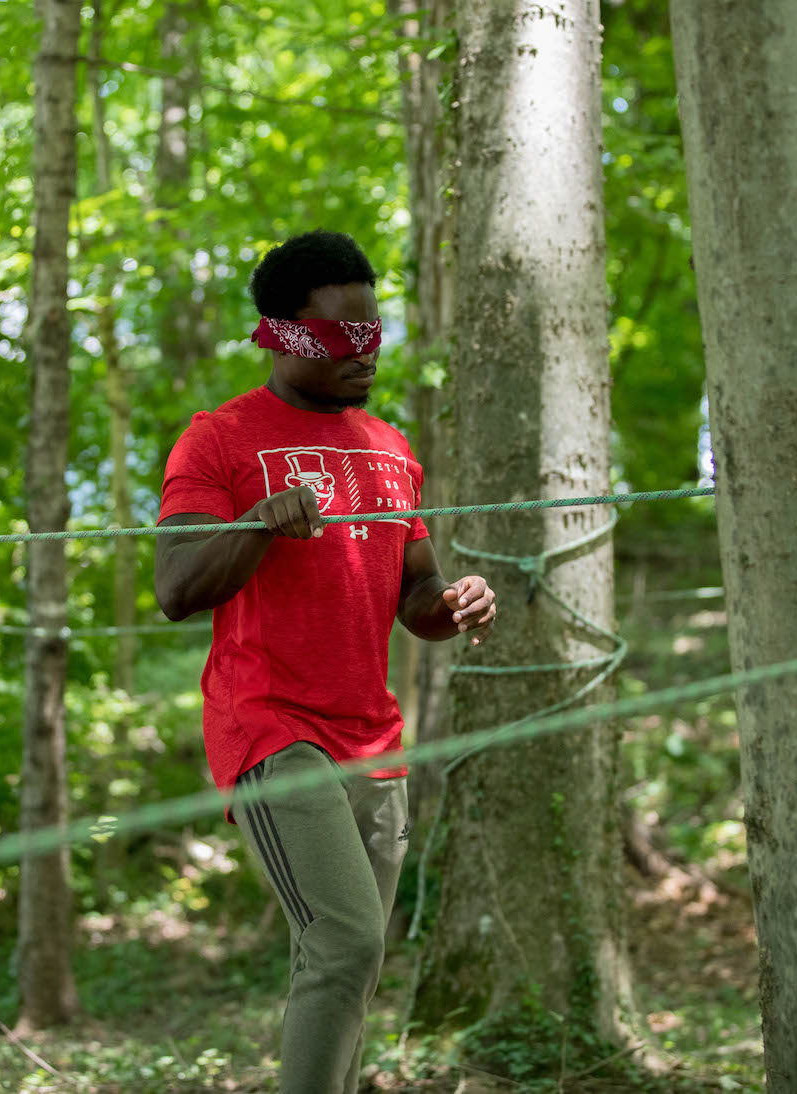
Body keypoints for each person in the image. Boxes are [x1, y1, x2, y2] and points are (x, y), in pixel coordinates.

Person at [154, 230, 496, 1094]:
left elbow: (415, 596)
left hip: (373, 742)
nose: (365, 355)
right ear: (283, 335)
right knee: (345, 940)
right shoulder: (219, 440)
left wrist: (453, 604)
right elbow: (176, 588)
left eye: (373, 335)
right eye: (344, 340)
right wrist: (259, 523)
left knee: (348, 966)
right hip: (271, 728)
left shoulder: (389, 448)